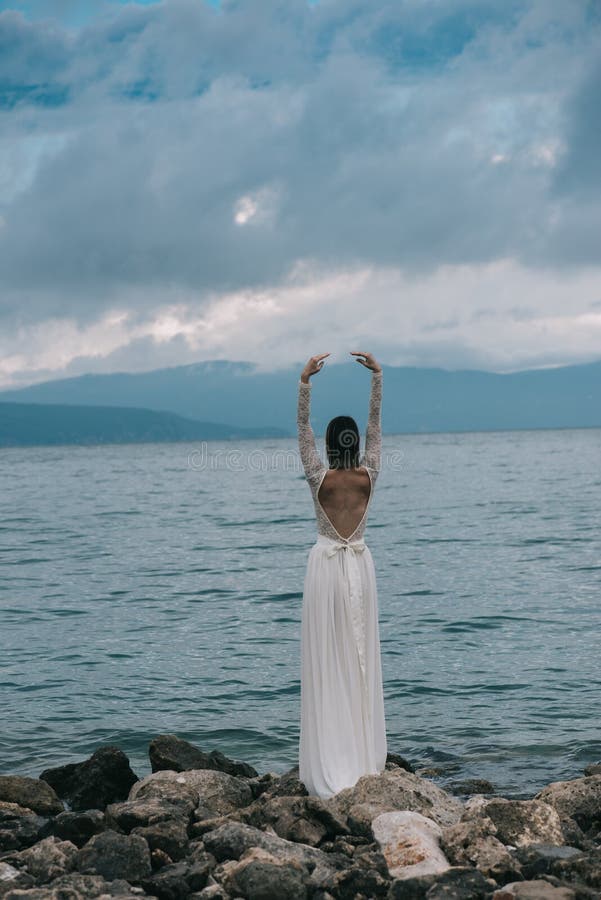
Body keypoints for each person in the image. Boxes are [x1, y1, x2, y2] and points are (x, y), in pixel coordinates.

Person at [297, 350, 387, 798]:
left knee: (328, 659)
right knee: (359, 659)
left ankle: (332, 756)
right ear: (357, 443)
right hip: (360, 569)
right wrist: (377, 378)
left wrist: (304, 383)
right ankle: (362, 752)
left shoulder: (318, 476)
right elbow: (376, 428)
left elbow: (302, 433)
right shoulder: (370, 474)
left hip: (327, 568)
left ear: (331, 445)